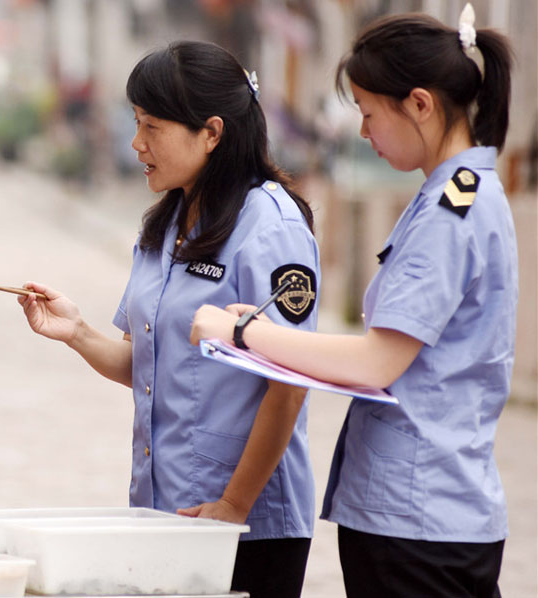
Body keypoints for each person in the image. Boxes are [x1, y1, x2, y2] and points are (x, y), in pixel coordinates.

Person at [191, 7, 515, 598]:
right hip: (425, 506)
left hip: (420, 519)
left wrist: (241, 334)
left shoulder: (451, 210)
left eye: (368, 112)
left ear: (419, 104)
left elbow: (375, 362)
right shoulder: (456, 194)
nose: (363, 132)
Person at [17, 41, 319, 598]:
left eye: (151, 126)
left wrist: (234, 505)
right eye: (137, 123)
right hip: (163, 510)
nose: (137, 144)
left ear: (211, 132)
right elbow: (150, 366)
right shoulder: (165, 224)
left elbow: (290, 384)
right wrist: (78, 333)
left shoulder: (270, 226)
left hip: (245, 525)